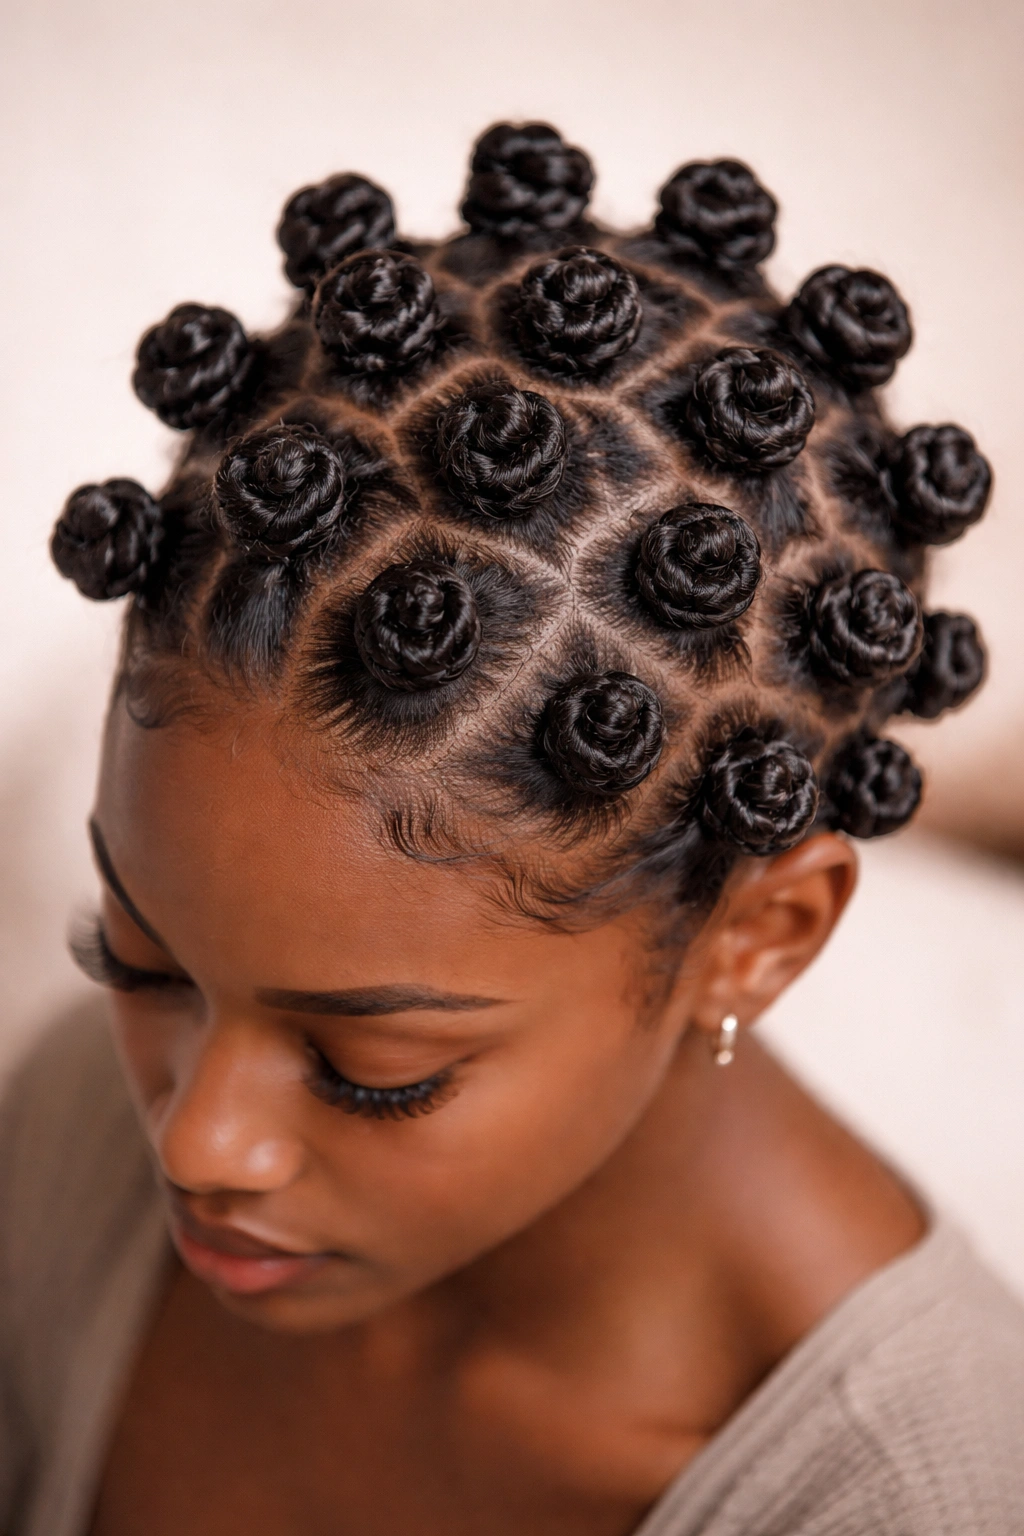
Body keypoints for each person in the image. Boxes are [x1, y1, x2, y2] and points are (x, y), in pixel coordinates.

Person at [2, 122, 1021, 1535]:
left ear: (760, 939)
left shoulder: (916, 1501)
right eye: (135, 960)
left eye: (375, 1071)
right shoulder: (65, 1141)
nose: (195, 1143)